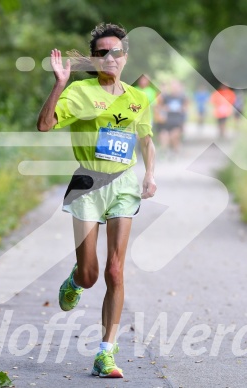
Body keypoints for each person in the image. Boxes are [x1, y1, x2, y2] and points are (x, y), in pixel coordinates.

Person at [36, 23, 157, 379]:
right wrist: (59, 85)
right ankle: (75, 280)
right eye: (102, 52)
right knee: (90, 275)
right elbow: (44, 125)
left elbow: (146, 139)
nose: (109, 57)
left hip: (123, 183)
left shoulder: (137, 98)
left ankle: (106, 352)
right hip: (89, 180)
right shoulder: (80, 92)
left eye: (115, 52)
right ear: (94, 58)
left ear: (125, 57)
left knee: (115, 270)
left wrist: (150, 174)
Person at [158, 79, 187, 156]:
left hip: (177, 121)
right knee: (164, 136)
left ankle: (175, 151)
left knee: (174, 137)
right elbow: (160, 106)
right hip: (167, 121)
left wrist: (182, 109)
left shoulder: (182, 97)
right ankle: (164, 152)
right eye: (172, 86)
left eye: (176, 86)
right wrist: (165, 108)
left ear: (179, 87)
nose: (174, 88)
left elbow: (185, 108)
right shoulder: (166, 96)